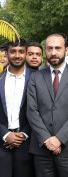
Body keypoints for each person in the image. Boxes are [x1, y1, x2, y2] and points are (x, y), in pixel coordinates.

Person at [27, 33, 68, 177]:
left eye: (57, 48)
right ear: (45, 50)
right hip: (41, 148)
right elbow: (32, 111)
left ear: (66, 51)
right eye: (49, 48)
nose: (53, 52)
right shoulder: (36, 77)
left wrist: (59, 139)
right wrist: (47, 139)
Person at [0, 41, 35, 177]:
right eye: (13, 51)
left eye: (21, 51)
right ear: (6, 54)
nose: (17, 55)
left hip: (27, 142)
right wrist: (5, 134)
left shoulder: (37, 78)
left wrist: (24, 134)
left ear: (26, 54)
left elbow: (42, 110)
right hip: (1, 143)